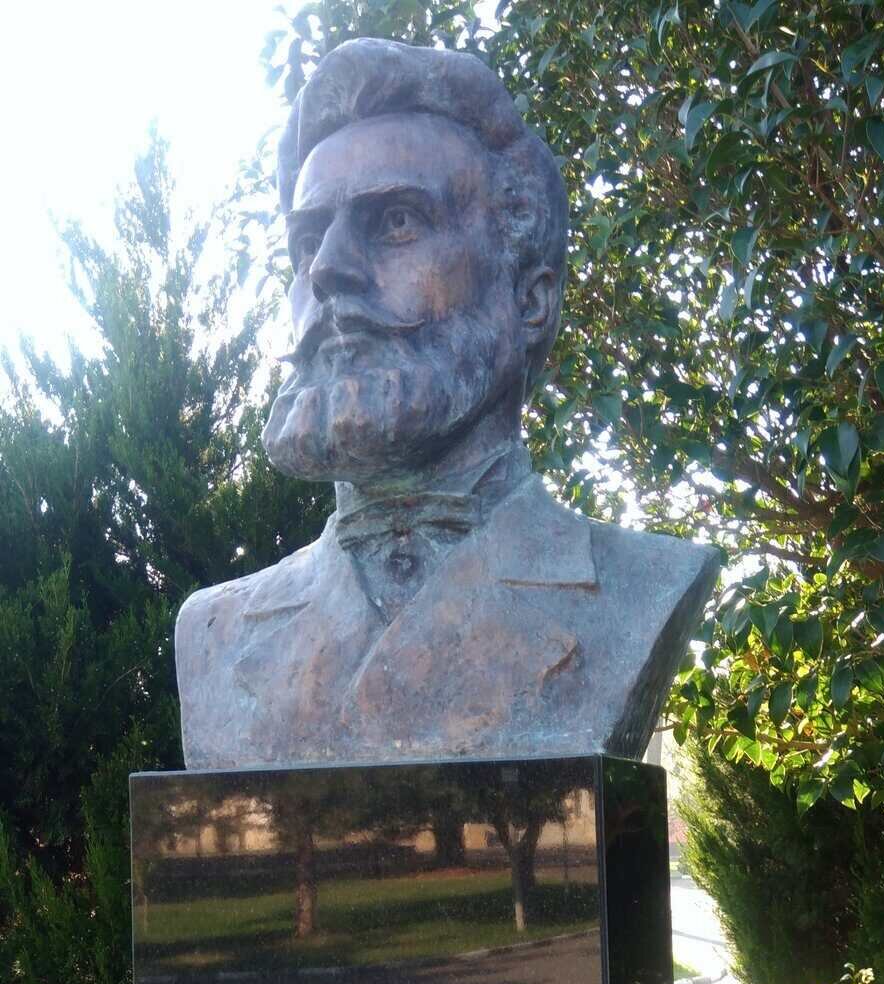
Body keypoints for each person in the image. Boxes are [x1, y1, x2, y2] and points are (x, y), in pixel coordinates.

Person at [175, 38, 719, 770]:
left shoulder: (644, 587)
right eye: (307, 242)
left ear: (529, 299)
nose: (328, 269)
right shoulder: (211, 631)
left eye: (396, 222)